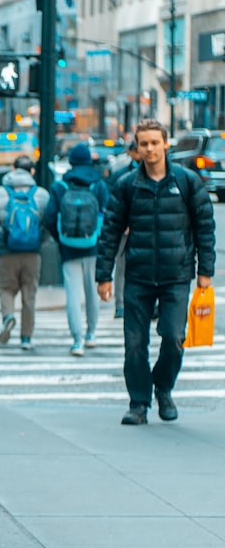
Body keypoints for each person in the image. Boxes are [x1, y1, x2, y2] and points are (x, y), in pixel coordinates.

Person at [95, 118, 216, 426]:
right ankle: (138, 403)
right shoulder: (126, 185)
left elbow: (205, 227)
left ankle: (163, 389)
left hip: (177, 275)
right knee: (134, 343)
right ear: (137, 148)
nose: (149, 149)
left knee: (174, 337)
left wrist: (206, 270)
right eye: (143, 144)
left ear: (165, 144)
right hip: (138, 275)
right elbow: (110, 230)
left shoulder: (187, 181)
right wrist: (104, 274)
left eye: (154, 142)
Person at [43, 143, 110, 356]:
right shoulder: (99, 184)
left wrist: (61, 238)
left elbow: (49, 218)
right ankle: (92, 334)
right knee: (92, 291)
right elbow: (109, 216)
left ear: (71, 161)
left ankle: (77, 340)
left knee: (72, 294)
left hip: (69, 248)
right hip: (93, 246)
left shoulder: (60, 187)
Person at [0, 155, 49, 349]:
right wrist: (40, 242)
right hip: (33, 253)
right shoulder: (41, 194)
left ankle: (8, 316)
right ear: (32, 171)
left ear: (12, 169)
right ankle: (26, 338)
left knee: (6, 289)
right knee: (30, 294)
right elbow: (48, 224)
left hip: (7, 251)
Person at [108, 139, 141, 319]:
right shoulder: (121, 176)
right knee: (121, 267)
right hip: (125, 228)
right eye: (136, 149)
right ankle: (120, 304)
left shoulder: (158, 174)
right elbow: (113, 203)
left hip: (145, 229)